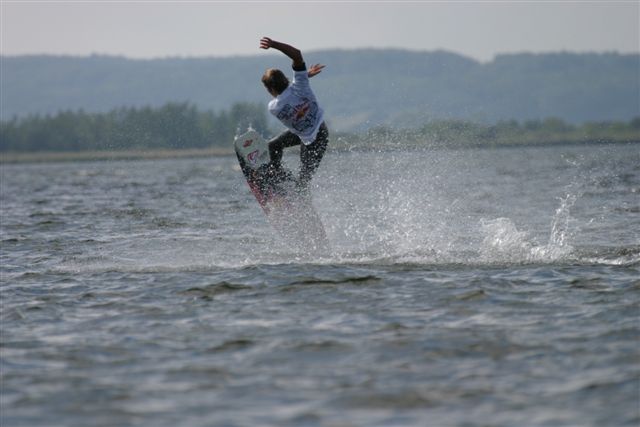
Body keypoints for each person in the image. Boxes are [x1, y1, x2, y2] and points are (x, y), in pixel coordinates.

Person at [259, 37, 329, 192]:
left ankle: (278, 174)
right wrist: (274, 44)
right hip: (318, 132)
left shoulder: (273, 107)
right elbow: (296, 54)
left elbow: (286, 92)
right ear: (285, 79)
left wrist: (304, 76)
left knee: (273, 146)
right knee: (303, 179)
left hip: (314, 139)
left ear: (270, 90)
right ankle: (281, 176)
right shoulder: (300, 87)